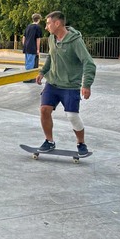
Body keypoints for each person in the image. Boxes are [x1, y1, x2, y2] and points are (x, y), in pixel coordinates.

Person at [35, 11, 96, 157]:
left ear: (57, 23)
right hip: (53, 82)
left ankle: (81, 143)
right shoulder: (52, 38)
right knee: (44, 110)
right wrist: (43, 72)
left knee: (72, 116)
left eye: (48, 23)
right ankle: (49, 141)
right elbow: (51, 56)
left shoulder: (75, 41)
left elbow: (88, 62)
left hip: (70, 85)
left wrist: (86, 84)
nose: (46, 27)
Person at [22, 13, 43, 82]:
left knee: (27, 62)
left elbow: (24, 37)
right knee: (31, 62)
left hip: (26, 47)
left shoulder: (28, 26)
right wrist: (38, 49)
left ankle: (27, 77)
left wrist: (25, 45)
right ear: (39, 19)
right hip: (32, 47)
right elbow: (38, 39)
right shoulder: (37, 27)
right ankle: (28, 78)